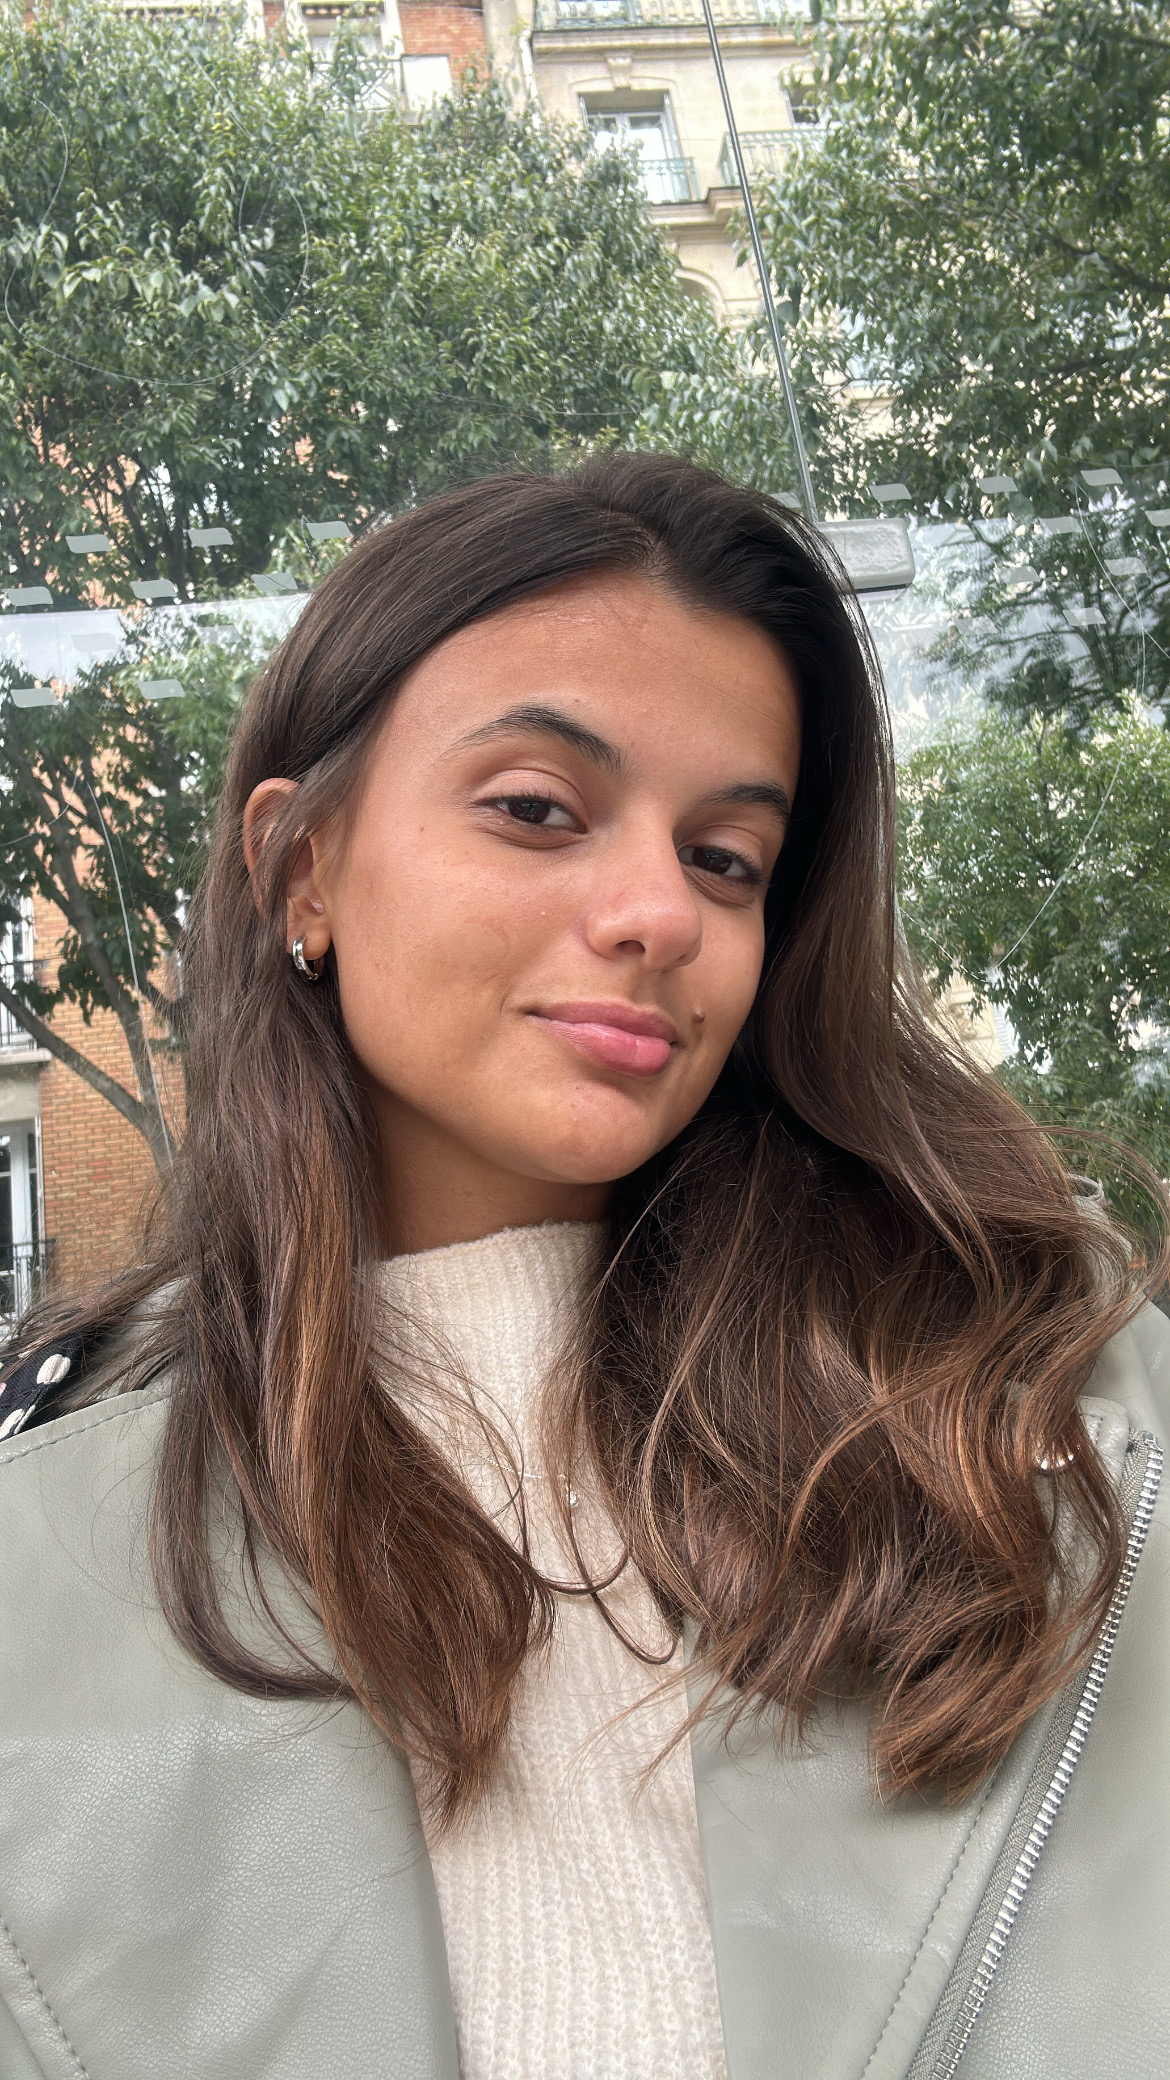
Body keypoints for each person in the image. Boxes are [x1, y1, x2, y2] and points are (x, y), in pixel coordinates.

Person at [0, 454, 1166, 2080]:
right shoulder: (49, 1524)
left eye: (726, 858)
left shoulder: (1061, 1417)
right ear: (300, 869)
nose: (656, 913)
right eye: (538, 810)